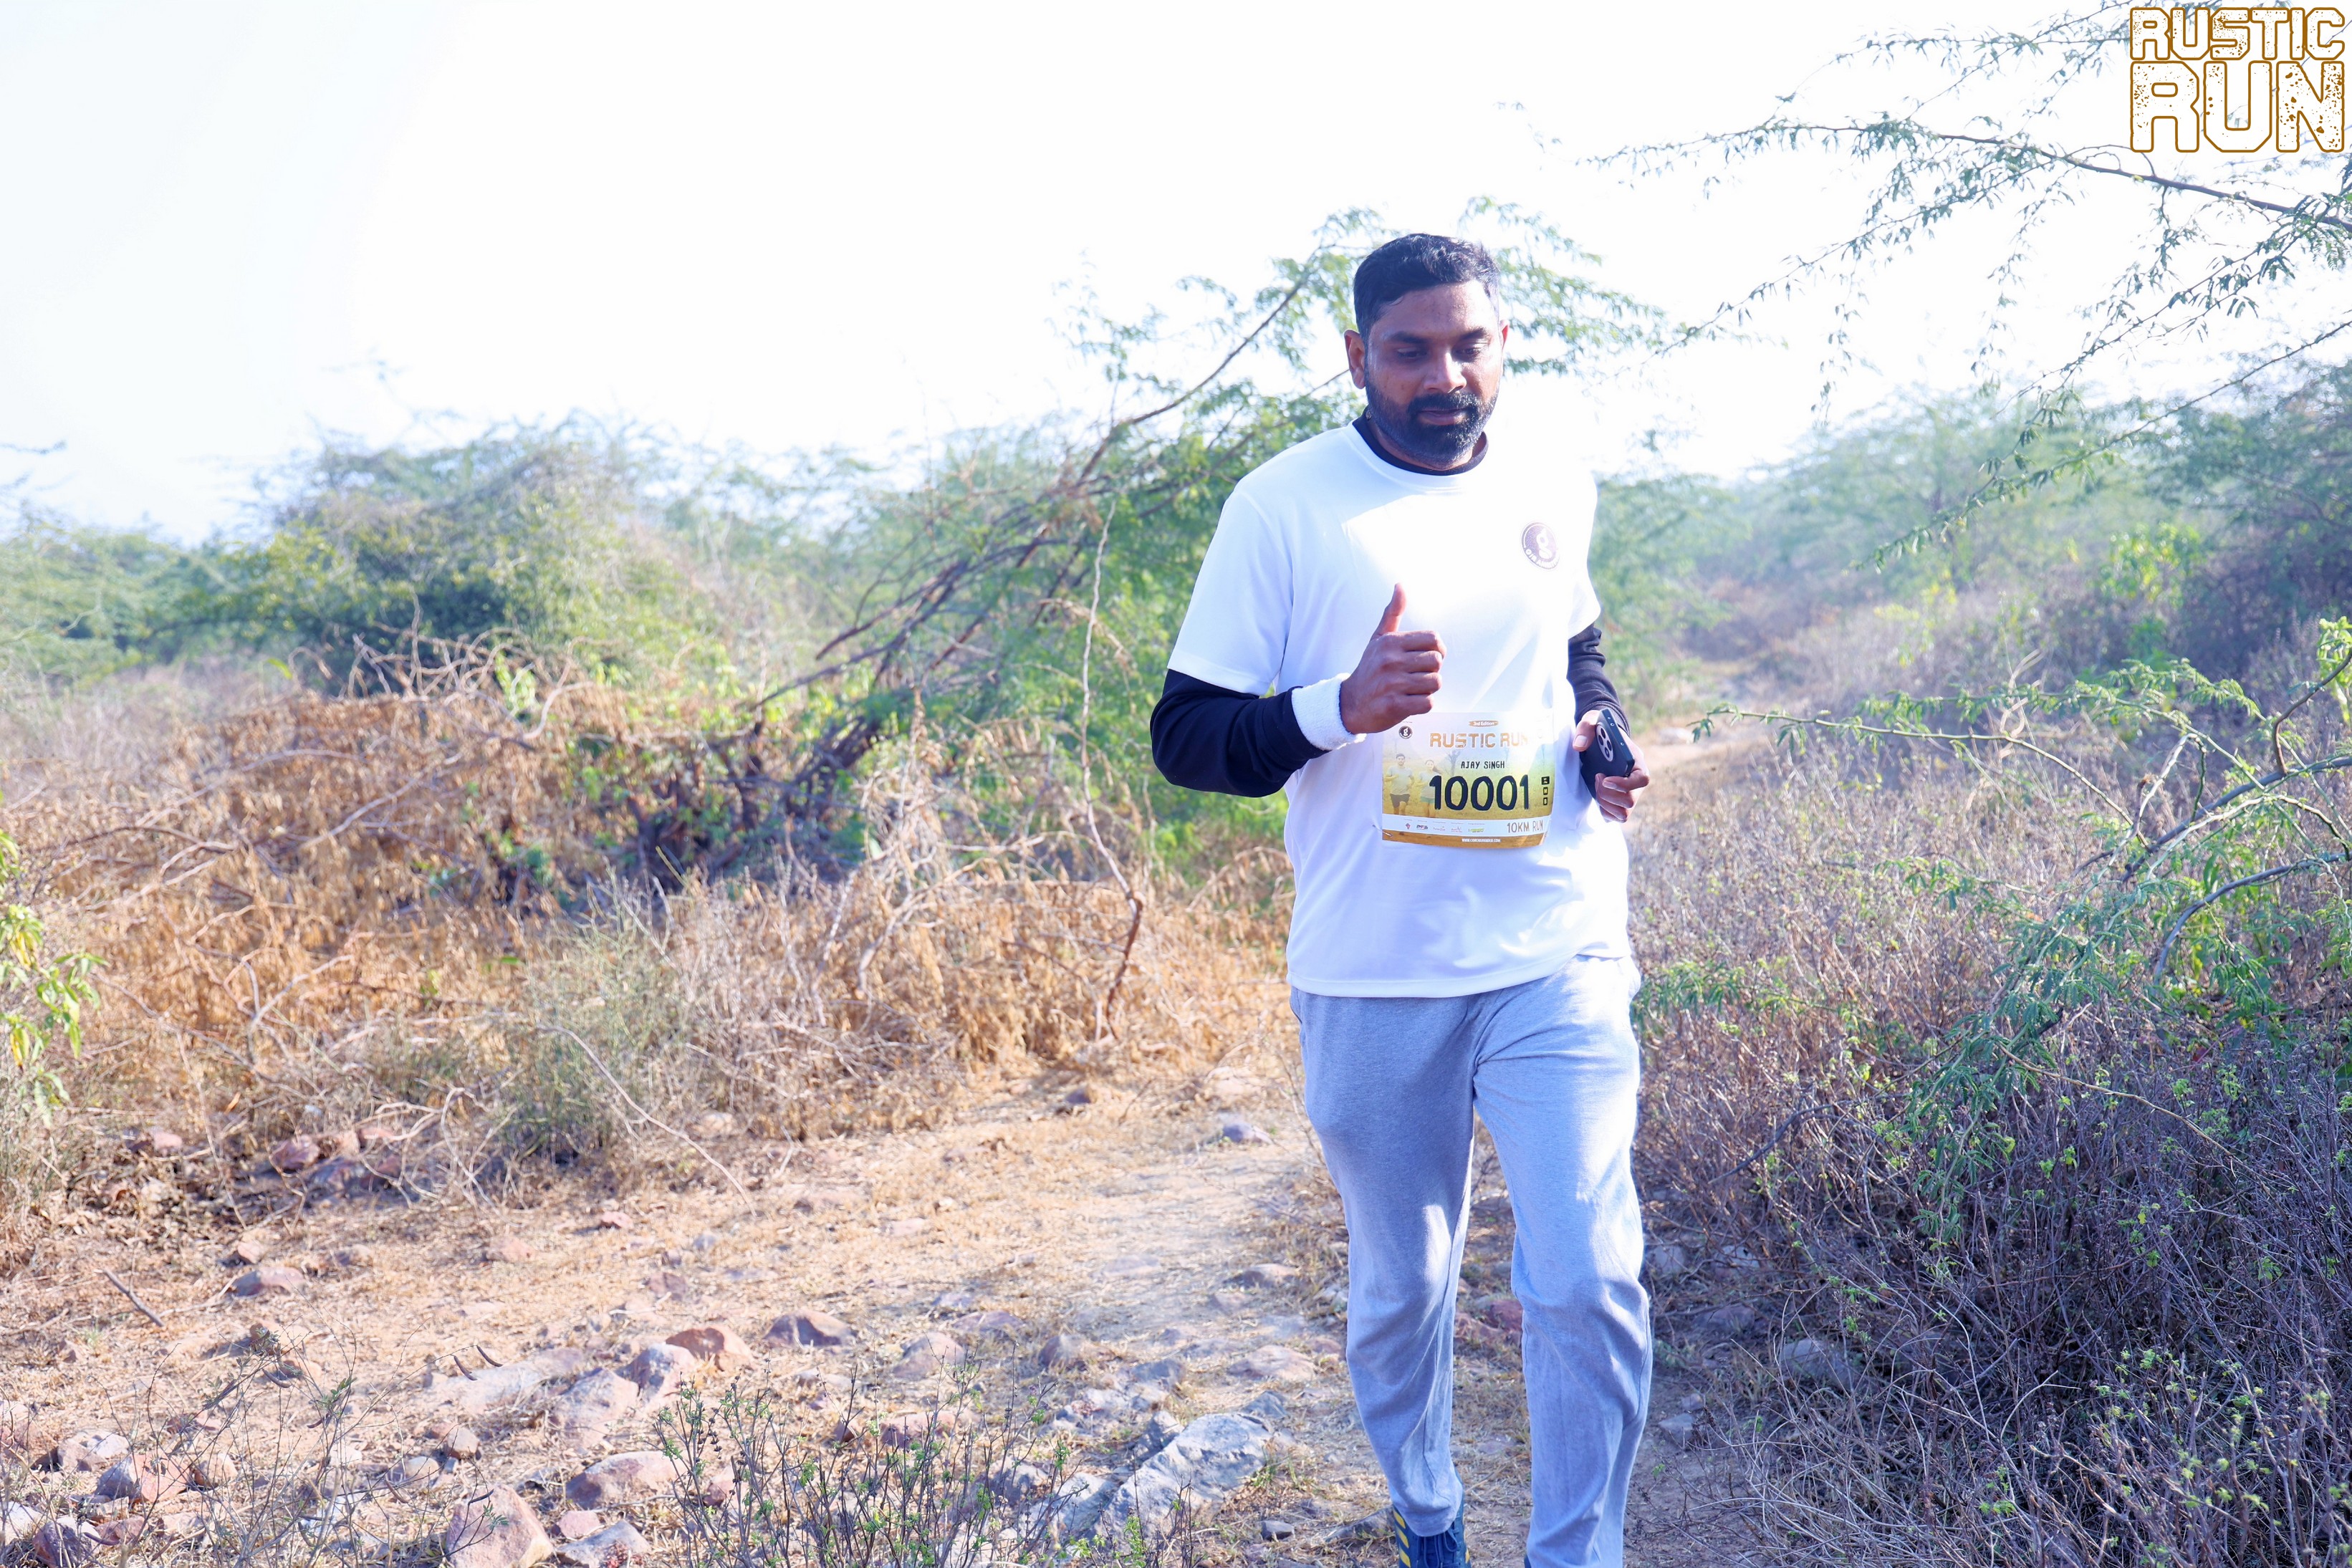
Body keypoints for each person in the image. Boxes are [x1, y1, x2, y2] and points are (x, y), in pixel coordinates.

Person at [1149, 233, 1652, 1568]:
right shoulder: (1284, 506)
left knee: (1587, 1273)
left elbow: (1576, 646)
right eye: (1412, 350)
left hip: (1556, 938)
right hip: (1374, 967)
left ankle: (1578, 1553)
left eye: (1469, 345)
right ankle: (1430, 1512)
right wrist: (1338, 706)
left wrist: (1600, 729)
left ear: (1503, 345)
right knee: (1403, 1294)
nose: (1445, 376)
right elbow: (1186, 735)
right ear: (1356, 355)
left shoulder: (1552, 478)